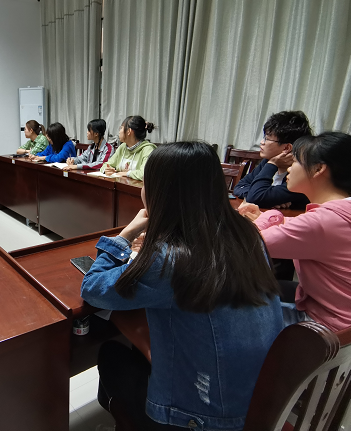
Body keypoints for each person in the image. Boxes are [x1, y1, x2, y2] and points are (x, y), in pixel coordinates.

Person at [81, 142, 283, 430]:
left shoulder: (172, 259)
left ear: (158, 192)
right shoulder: (247, 234)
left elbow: (92, 288)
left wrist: (125, 235)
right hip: (257, 401)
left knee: (112, 355)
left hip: (203, 417)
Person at [238, 132, 351, 332]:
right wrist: (271, 218)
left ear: (318, 169)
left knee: (228, 312)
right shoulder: (341, 212)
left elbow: (252, 243)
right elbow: (303, 228)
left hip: (326, 327)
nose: (290, 167)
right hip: (344, 319)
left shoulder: (321, 221)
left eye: (296, 161)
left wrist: (270, 215)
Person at [233, 110, 312, 209]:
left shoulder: (301, 173)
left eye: (267, 139)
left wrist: (263, 197)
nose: (262, 142)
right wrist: (266, 199)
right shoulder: (268, 161)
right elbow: (240, 186)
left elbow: (256, 197)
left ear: (287, 148)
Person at [100, 116, 156, 180]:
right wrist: (106, 170)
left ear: (129, 131)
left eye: (121, 128)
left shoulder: (148, 149)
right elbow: (106, 165)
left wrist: (127, 173)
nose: (119, 132)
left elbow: (145, 174)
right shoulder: (122, 147)